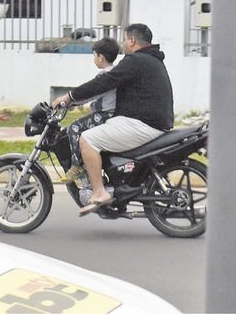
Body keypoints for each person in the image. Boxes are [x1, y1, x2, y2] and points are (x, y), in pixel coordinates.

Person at [53, 23, 174, 216]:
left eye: (125, 39)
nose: (123, 44)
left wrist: (69, 97)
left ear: (132, 40)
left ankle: (99, 191)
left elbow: (104, 82)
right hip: (148, 121)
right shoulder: (151, 60)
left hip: (141, 123)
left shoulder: (135, 60)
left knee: (87, 139)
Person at [65, 37, 120, 182]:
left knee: (74, 128)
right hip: (112, 114)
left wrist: (70, 102)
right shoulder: (115, 71)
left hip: (105, 115)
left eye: (94, 55)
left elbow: (92, 93)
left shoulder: (104, 74)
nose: (94, 58)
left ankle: (77, 165)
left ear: (101, 57)